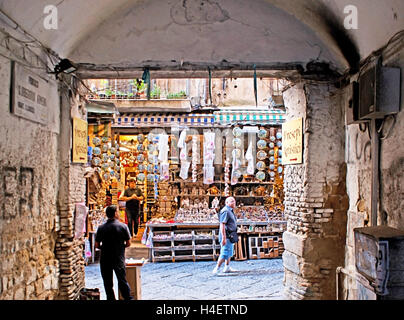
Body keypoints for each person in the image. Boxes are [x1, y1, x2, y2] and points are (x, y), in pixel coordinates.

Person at [95, 205, 133, 300]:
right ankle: (127, 298)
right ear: (115, 213)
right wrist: (120, 246)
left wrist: (103, 247)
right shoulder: (123, 226)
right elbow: (128, 243)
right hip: (118, 257)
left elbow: (97, 245)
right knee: (122, 280)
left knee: (107, 283)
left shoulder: (101, 228)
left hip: (105, 258)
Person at [212, 196, 238, 274]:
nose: (234, 202)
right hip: (226, 235)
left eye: (234, 201)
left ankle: (227, 267)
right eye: (231, 201)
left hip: (230, 235)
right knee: (224, 253)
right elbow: (222, 224)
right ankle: (216, 269)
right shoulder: (226, 211)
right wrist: (223, 237)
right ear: (227, 203)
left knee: (229, 252)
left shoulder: (230, 210)